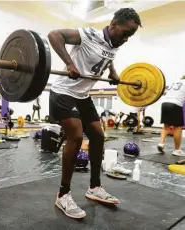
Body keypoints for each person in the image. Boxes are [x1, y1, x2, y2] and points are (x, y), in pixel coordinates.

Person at [48, 8, 141, 219]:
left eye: (130, 36)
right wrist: (70, 64)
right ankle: (63, 194)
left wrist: (112, 72)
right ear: (113, 25)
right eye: (125, 33)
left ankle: (94, 187)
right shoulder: (89, 35)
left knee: (98, 136)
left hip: (83, 95)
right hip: (63, 91)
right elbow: (54, 35)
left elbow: (108, 56)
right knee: (77, 136)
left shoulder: (114, 42)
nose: (126, 39)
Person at [157, 76, 185, 156]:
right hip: (175, 104)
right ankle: (177, 150)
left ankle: (161, 143)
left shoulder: (175, 81)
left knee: (166, 125)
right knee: (178, 127)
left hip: (165, 103)